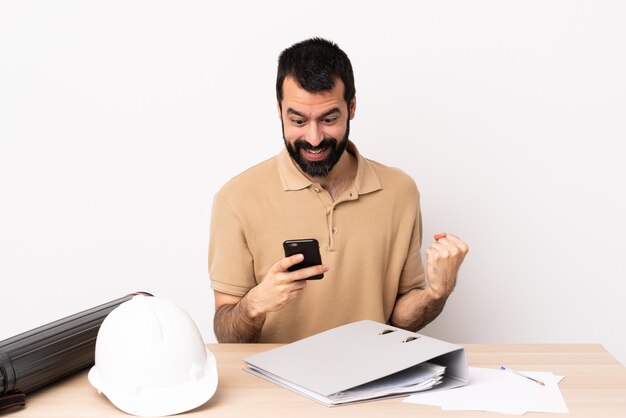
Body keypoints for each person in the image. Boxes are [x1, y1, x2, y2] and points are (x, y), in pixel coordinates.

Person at [209, 37, 468, 343]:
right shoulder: (236, 199)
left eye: (329, 119)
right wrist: (253, 305)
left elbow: (398, 320)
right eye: (298, 120)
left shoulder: (400, 192)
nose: (314, 138)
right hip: (275, 384)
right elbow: (227, 334)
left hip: (369, 379)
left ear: (352, 107)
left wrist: (437, 293)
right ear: (279, 110)